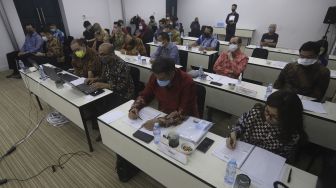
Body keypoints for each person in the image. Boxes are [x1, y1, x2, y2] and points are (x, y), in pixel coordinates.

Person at [226, 90, 307, 161]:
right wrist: (233, 134)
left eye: (275, 117)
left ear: (287, 119)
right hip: (241, 153)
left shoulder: (291, 134)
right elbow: (239, 125)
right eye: (267, 111)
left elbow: (282, 158)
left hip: (265, 162)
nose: (268, 117)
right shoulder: (255, 113)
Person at [128, 57, 198, 130]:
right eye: (156, 77)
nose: (158, 80)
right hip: (164, 114)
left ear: (172, 72)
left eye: (162, 78)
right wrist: (135, 107)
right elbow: (145, 95)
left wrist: (159, 122)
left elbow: (183, 113)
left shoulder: (187, 82)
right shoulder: (155, 77)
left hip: (186, 123)